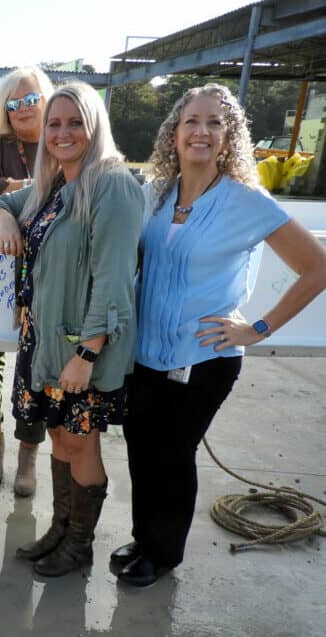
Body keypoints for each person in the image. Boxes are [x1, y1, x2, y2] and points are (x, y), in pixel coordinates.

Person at [112, 84, 326, 587]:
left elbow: (316, 267)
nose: (201, 132)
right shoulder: (158, 193)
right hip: (144, 352)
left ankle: (163, 554)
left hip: (203, 356)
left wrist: (256, 328)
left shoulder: (245, 201)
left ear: (229, 137)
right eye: (192, 122)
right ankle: (144, 538)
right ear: (174, 133)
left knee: (173, 452)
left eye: (214, 123)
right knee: (142, 447)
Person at [0, 81, 143, 576]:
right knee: (58, 437)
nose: (62, 132)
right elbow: (0, 205)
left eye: (75, 122)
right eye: (54, 123)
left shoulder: (111, 184)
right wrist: (4, 222)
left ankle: (80, 545)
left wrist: (89, 354)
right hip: (46, 345)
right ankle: (59, 528)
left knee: (81, 442)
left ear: (95, 125)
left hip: (81, 348)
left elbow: (114, 281)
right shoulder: (56, 185)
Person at [0, 66, 54, 495]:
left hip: (48, 273)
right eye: (14, 103)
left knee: (35, 360)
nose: (24, 109)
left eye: (31, 99)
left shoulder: (62, 139)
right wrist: (11, 191)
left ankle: (29, 451)